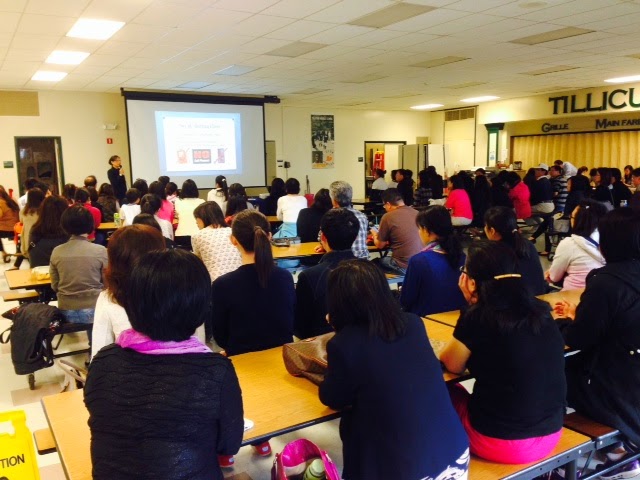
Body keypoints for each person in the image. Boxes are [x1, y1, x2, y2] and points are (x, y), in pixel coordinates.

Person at [85, 249, 243, 480]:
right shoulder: (215, 371)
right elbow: (229, 445)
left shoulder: (103, 361)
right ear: (200, 308)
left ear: (131, 304)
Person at [319, 260, 469, 480]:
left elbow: (332, 397)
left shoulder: (343, 344)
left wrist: (339, 330)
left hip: (408, 473)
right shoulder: (413, 323)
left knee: (356, 420)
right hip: (455, 458)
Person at [440, 240, 565, 464]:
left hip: (499, 441)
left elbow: (452, 365)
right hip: (551, 433)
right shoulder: (541, 311)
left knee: (441, 390)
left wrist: (470, 306)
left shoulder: (478, 316)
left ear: (471, 282)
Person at [554, 209, 640, 478]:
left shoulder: (606, 281)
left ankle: (558, 456)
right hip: (632, 378)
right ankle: (620, 452)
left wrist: (562, 322)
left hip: (618, 390)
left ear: (610, 242)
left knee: (551, 375)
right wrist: (580, 315)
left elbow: (579, 338)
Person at [211, 210, 294, 357]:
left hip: (242, 359)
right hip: (283, 357)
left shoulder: (222, 285)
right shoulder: (286, 277)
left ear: (233, 240)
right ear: (269, 236)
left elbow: (220, 337)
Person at [90, 225, 166, 358]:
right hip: (184, 368)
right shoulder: (184, 293)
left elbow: (99, 352)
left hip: (127, 369)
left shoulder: (109, 298)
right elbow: (198, 346)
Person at [294, 208, 358, 339]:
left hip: (324, 345)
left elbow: (301, 328)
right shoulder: (371, 270)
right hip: (366, 343)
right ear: (356, 237)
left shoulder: (309, 276)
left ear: (323, 237)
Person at [50, 206, 108, 338]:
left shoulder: (57, 251)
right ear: (91, 225)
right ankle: (95, 345)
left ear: (64, 226)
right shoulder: (100, 251)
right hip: (95, 309)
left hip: (66, 310)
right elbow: (107, 284)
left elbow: (55, 285)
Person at [400, 206, 466, 316]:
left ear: (426, 230)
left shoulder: (419, 261)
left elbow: (406, 301)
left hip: (425, 319)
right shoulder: (463, 257)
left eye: (419, 228)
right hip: (457, 318)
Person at [484, 206, 547, 295]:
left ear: (492, 231)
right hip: (539, 297)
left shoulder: (492, 253)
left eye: (485, 226)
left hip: (517, 302)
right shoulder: (527, 244)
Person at [546, 199, 607, 291]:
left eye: (572, 217)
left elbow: (554, 277)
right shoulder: (609, 240)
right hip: (602, 294)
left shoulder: (570, 244)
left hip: (573, 296)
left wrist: (550, 274)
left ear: (579, 221)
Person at [371, 188, 422, 274]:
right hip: (420, 264)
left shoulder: (388, 216)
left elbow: (380, 245)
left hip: (403, 266)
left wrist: (374, 233)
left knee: (373, 264)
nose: (385, 208)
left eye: (384, 206)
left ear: (388, 204)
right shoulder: (417, 213)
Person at [192, 201, 241, 282]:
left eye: (196, 218)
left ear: (203, 218)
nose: (196, 222)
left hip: (215, 282)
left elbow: (198, 264)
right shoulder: (233, 231)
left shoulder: (198, 235)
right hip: (239, 278)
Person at [328, 181, 369, 259]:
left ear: (334, 200)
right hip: (363, 261)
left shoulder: (331, 217)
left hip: (341, 262)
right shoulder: (362, 216)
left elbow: (322, 238)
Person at [29, 195, 69, 268]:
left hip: (39, 271)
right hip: (65, 271)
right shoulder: (69, 233)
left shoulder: (35, 231)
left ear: (42, 211)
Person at [19, 188, 44, 260]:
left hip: (28, 241)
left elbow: (21, 221)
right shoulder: (44, 210)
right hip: (41, 240)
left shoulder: (24, 211)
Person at [0, 185, 20, 259]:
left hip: (5, 230)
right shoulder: (12, 200)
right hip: (16, 229)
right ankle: (18, 251)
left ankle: (3, 252)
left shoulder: (0, 202)